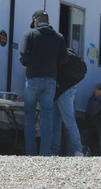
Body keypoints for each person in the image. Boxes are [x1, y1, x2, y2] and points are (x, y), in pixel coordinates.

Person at [19, 9, 65, 156]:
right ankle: (45, 154)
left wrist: (26, 63)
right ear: (48, 21)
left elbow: (23, 54)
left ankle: (30, 153)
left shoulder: (30, 34)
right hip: (51, 81)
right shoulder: (59, 37)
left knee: (29, 114)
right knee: (47, 116)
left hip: (32, 79)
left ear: (35, 21)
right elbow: (64, 60)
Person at [49, 47, 85, 157]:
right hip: (66, 88)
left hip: (64, 89)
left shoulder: (53, 54)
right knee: (57, 122)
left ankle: (78, 150)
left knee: (68, 121)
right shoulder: (61, 53)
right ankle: (55, 151)